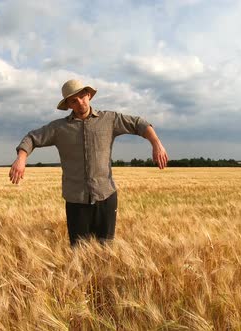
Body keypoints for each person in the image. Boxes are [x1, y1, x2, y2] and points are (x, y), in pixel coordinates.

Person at [9, 79, 168, 247]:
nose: (80, 103)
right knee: (79, 253)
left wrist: (156, 143)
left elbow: (139, 124)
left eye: (82, 96)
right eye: (73, 100)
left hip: (105, 197)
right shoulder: (58, 128)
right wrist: (21, 158)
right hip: (76, 201)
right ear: (69, 105)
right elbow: (31, 138)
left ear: (89, 95)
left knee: (106, 251)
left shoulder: (110, 120)